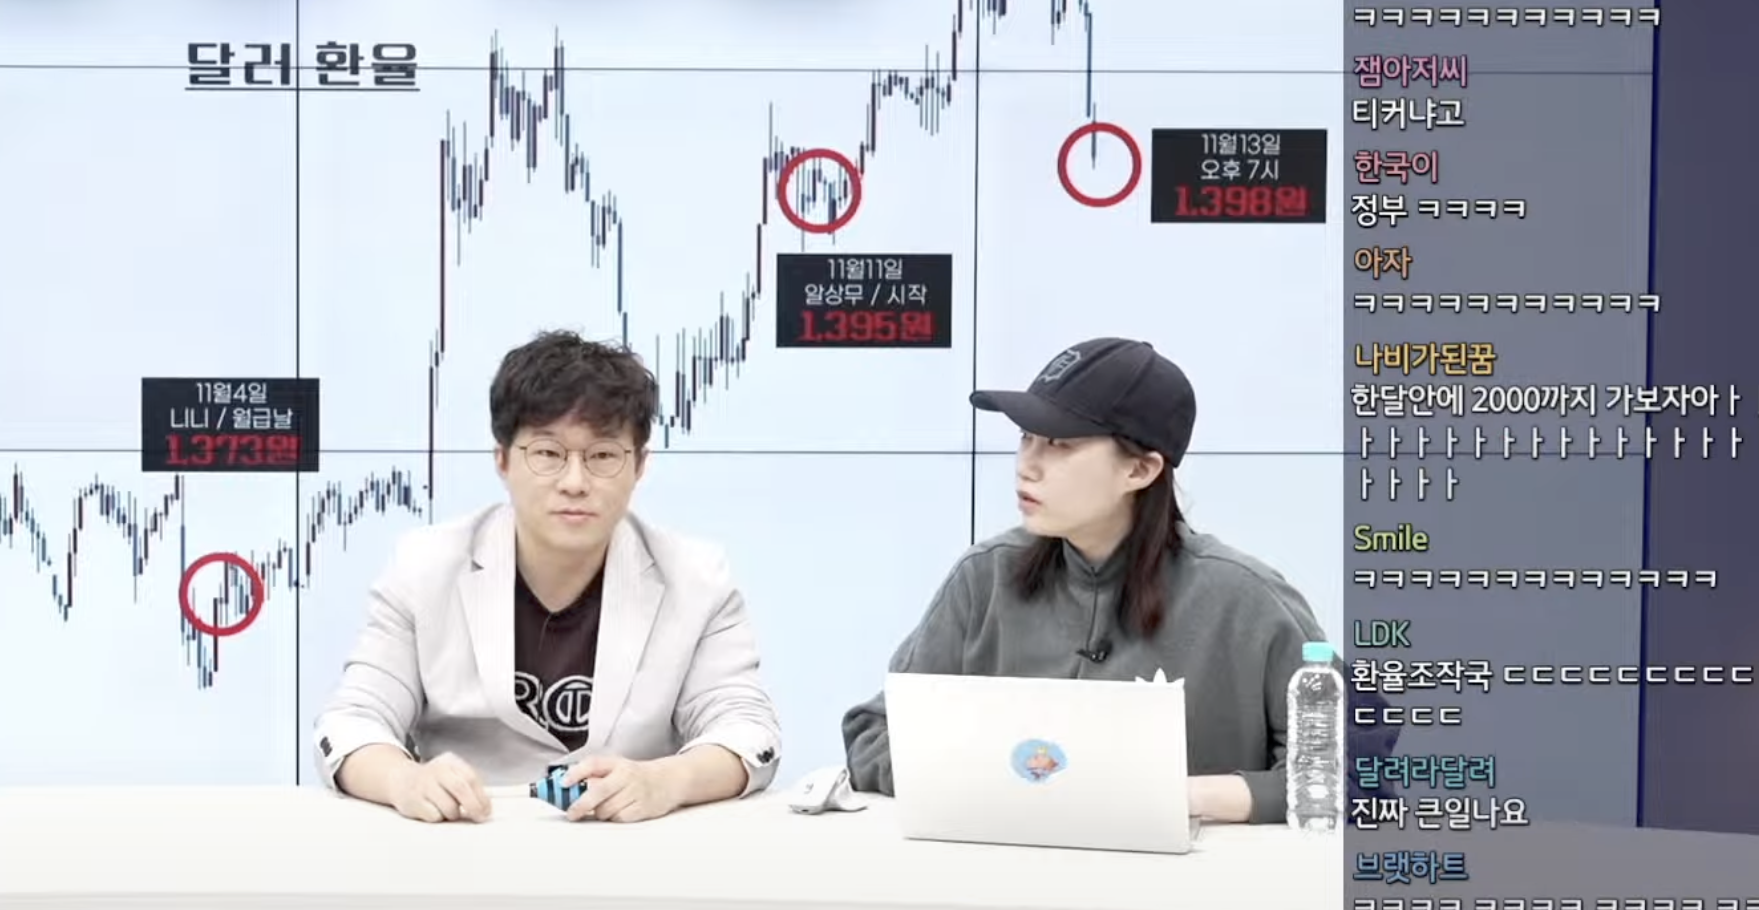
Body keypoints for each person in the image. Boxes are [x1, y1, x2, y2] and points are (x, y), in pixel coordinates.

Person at [842, 337, 1326, 825]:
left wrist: (1180, 797)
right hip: (1005, 865)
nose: (1027, 465)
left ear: (1140, 469)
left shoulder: (1245, 597)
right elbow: (874, 733)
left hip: (1183, 871)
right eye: (1026, 437)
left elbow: (1351, 765)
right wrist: (996, 782)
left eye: (1059, 445)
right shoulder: (984, 577)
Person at [315, 330, 783, 824]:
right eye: (547, 454)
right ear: (502, 459)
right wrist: (403, 780)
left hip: (629, 844)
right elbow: (351, 721)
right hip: (467, 839)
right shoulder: (424, 567)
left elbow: (748, 731)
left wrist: (666, 781)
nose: (575, 482)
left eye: (603, 456)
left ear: (640, 465)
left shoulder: (697, 578)